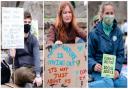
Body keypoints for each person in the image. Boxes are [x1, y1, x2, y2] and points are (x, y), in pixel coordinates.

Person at [88, 2, 127, 88]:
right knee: (108, 84)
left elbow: (120, 54)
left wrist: (117, 69)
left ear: (114, 14)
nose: (109, 16)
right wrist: (94, 65)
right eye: (107, 13)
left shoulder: (118, 32)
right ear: (101, 15)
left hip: (112, 70)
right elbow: (88, 56)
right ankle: (87, 86)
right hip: (98, 71)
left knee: (124, 82)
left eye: (111, 13)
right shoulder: (94, 33)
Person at [9, 11, 42, 87]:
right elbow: (10, 61)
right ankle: (40, 81)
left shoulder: (33, 39)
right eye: (25, 22)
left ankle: (34, 82)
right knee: (23, 72)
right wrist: (11, 55)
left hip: (31, 69)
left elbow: (37, 58)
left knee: (43, 68)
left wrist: (37, 74)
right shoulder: (15, 38)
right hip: (19, 71)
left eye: (29, 22)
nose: (27, 24)